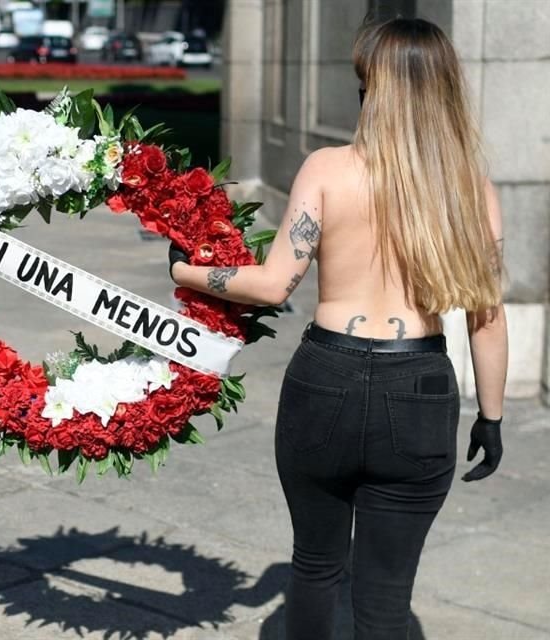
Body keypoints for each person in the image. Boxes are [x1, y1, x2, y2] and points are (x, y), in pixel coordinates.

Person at [169, 18, 507, 640]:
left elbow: (273, 286)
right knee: (385, 598)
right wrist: (491, 415)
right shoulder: (470, 188)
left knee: (315, 566)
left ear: (372, 88)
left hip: (325, 377)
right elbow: (485, 317)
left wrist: (189, 271)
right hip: (421, 388)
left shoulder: (328, 167)